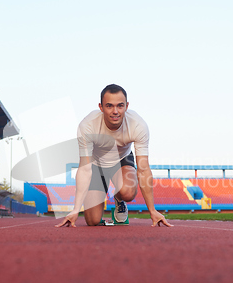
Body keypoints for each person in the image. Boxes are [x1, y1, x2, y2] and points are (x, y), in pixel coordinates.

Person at [56, 84, 173, 228]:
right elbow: (85, 169)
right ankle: (102, 200)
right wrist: (75, 210)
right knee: (92, 221)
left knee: (128, 192)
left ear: (127, 106)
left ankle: (119, 198)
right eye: (109, 106)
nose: (115, 111)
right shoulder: (87, 126)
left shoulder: (138, 126)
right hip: (97, 165)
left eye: (120, 106)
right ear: (101, 107)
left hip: (122, 160)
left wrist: (152, 210)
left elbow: (143, 169)